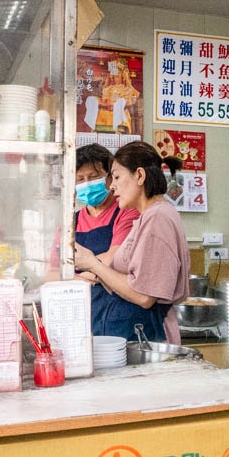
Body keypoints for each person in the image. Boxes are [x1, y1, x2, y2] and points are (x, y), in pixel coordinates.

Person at [73, 141, 190, 344]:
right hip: (133, 334)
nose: (112, 186)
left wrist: (93, 265)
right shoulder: (146, 217)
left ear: (140, 176)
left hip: (150, 335)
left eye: (117, 177)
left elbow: (145, 296)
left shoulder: (157, 217)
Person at [73, 143, 140, 335]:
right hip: (80, 315)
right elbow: (54, 272)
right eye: (80, 179)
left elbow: (114, 260)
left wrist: (74, 277)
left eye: (94, 177)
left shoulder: (127, 212)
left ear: (110, 177)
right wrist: (95, 275)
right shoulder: (71, 220)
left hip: (118, 313)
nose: (86, 183)